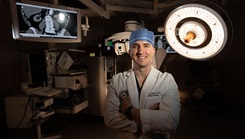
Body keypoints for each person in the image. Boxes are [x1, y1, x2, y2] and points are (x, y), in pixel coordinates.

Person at [104, 28, 180, 139]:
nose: (140, 51)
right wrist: (138, 124)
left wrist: (130, 111)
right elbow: (110, 119)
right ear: (130, 52)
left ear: (153, 50)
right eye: (135, 46)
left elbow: (171, 122)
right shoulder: (117, 80)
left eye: (146, 45)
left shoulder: (166, 80)